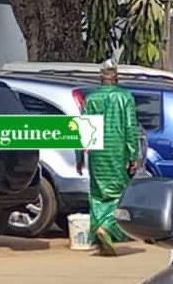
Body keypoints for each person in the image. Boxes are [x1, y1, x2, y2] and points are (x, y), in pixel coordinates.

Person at [76, 59, 140, 256]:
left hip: (97, 154)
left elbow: (84, 130)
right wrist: (133, 156)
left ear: (100, 79)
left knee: (97, 195)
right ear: (117, 78)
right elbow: (130, 128)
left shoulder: (91, 99)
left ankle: (99, 235)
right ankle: (108, 228)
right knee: (118, 196)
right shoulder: (125, 97)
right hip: (118, 153)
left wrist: (80, 157)